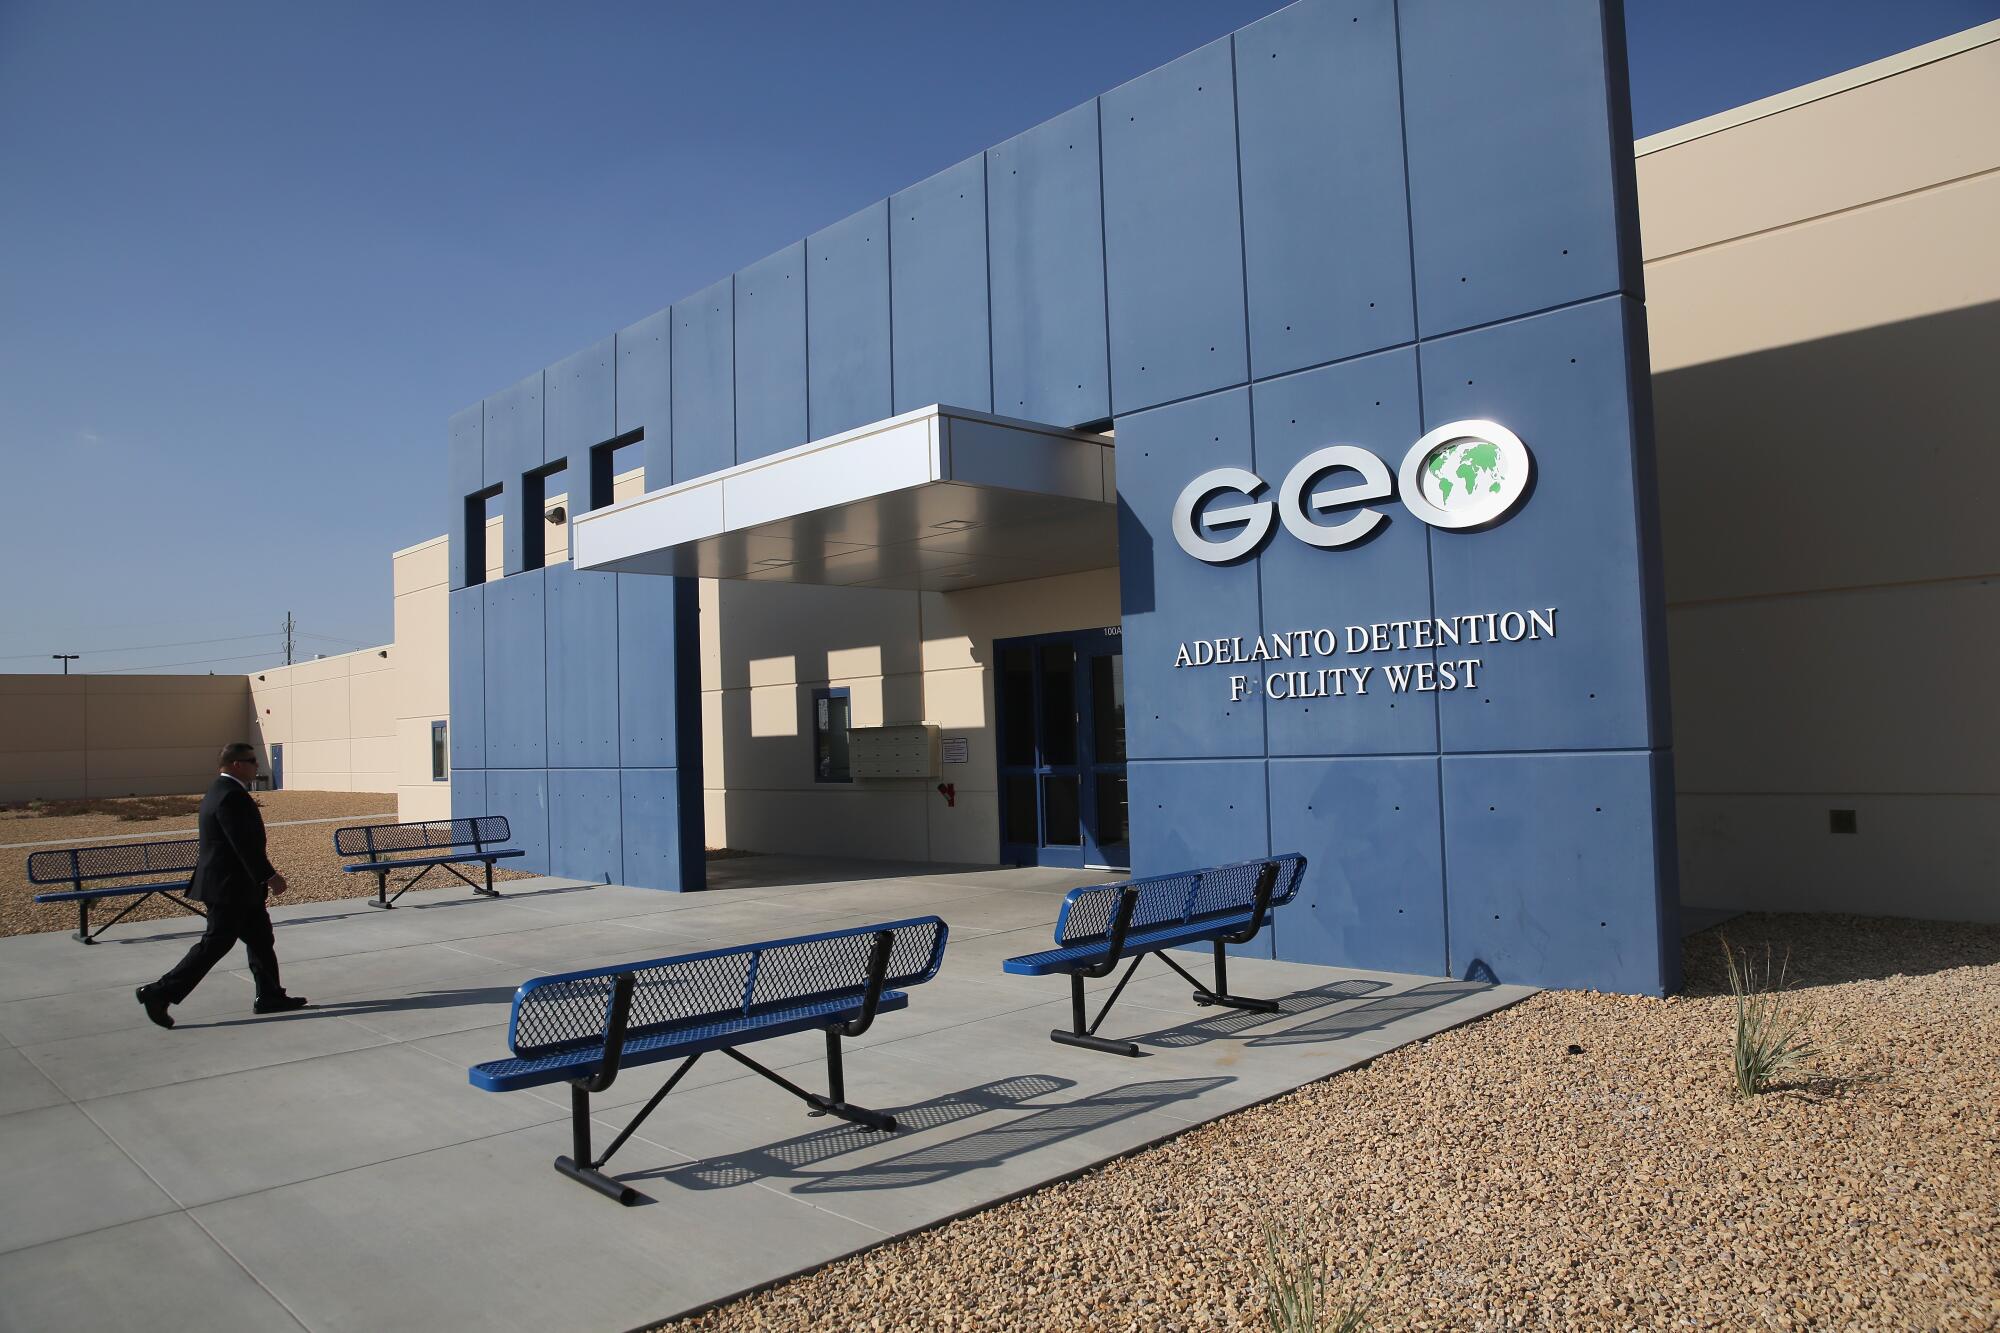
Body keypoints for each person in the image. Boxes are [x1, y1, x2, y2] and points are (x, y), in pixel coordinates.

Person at [136, 743, 307, 1027]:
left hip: (238, 887)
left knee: (261, 939)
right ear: (236, 764)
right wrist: (269, 876)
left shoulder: (222, 790)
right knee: (216, 943)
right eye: (252, 761)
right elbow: (242, 844)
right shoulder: (230, 796)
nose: (257, 766)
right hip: (230, 888)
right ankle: (159, 992)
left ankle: (269, 995)